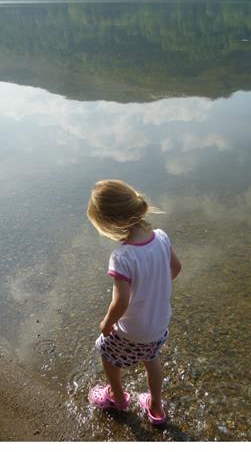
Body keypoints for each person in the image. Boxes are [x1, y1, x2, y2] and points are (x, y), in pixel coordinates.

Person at [86, 180, 181, 427]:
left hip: (132, 330)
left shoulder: (122, 256)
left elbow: (122, 301)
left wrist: (107, 323)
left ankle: (117, 397)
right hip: (159, 324)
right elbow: (176, 268)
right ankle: (156, 408)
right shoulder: (161, 237)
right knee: (152, 360)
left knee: (106, 352)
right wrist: (154, 288)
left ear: (110, 223)